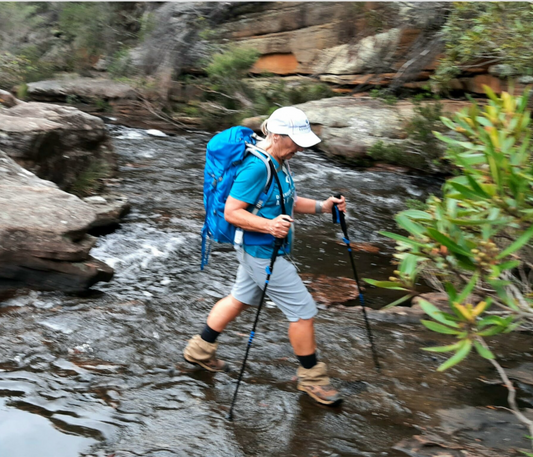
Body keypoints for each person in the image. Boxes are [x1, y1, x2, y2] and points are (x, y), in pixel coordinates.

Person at [184, 106, 346, 406]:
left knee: (240, 298)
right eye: (295, 141)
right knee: (303, 312)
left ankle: (200, 350)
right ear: (277, 134)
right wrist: (269, 225)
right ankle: (312, 378)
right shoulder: (257, 166)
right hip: (261, 251)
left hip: (258, 249)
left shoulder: (278, 160)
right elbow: (233, 212)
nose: (300, 147)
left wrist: (324, 207)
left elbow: (287, 200)